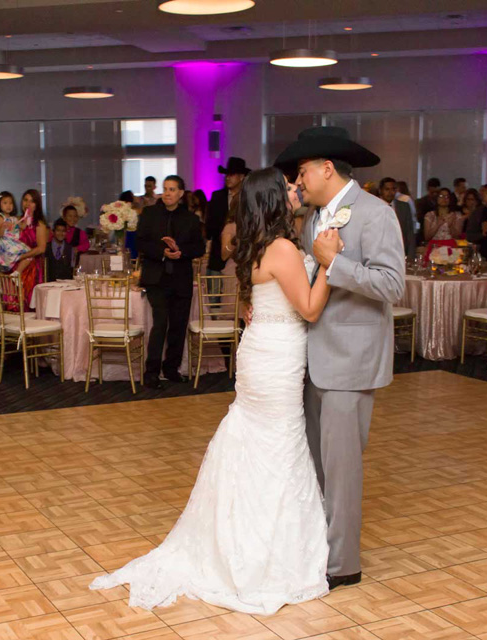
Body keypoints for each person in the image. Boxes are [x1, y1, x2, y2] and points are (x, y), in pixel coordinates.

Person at [91, 168, 336, 614]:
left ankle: (239, 535)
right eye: (288, 187)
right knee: (279, 443)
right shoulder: (281, 247)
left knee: (260, 440)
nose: (296, 190)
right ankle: (264, 551)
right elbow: (310, 308)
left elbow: (257, 303)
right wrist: (332, 263)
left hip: (260, 351)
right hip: (276, 357)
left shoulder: (258, 245)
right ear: (274, 201)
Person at [277, 125, 405, 591]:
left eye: (302, 173)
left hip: (350, 361)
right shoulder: (315, 218)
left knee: (343, 468)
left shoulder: (376, 214)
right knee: (318, 462)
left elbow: (393, 284)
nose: (298, 182)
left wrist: (335, 263)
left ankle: (343, 564)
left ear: (326, 168)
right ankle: (319, 549)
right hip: (314, 356)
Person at [136, 175, 204, 389]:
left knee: (178, 325)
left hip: (181, 279)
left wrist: (181, 252)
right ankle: (151, 371)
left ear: (181, 193)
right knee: (160, 323)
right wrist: (163, 252)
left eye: (172, 189)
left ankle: (172, 368)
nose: (167, 193)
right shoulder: (149, 214)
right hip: (157, 278)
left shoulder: (191, 219)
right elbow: (140, 242)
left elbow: (199, 248)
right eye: (165, 189)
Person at [206, 157, 251, 278]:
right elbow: (209, 226)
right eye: (226, 174)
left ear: (241, 177)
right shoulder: (217, 197)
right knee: (214, 295)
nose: (227, 177)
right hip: (217, 258)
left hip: (242, 258)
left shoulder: (248, 199)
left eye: (232, 174)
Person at [15, 189, 49, 305]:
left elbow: (41, 248)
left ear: (37, 205)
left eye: (32, 201)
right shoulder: (16, 221)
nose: (27, 204)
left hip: (32, 268)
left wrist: (22, 256)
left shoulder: (39, 224)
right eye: (25, 200)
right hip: (15, 265)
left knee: (28, 301)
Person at [0, 191, 30, 271]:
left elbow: (22, 226)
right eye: (5, 203)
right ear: (0, 205)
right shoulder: (1, 218)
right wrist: (3, 226)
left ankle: (17, 273)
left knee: (29, 254)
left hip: (14, 242)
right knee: (25, 254)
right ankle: (16, 273)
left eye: (10, 203)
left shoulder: (14, 218)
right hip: (5, 243)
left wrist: (26, 217)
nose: (8, 206)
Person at [423, 187, 466, 260]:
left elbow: (457, 236)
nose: (444, 199)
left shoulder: (456, 215)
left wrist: (450, 226)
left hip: (450, 246)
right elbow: (426, 237)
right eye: (441, 196)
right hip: (434, 247)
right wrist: (437, 225)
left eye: (447, 197)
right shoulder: (430, 215)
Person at [379, 177, 416, 262]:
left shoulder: (403, 206)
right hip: (380, 252)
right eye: (387, 189)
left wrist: (411, 255)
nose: (390, 192)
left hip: (400, 252)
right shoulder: (373, 206)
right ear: (380, 190)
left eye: (393, 189)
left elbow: (410, 232)